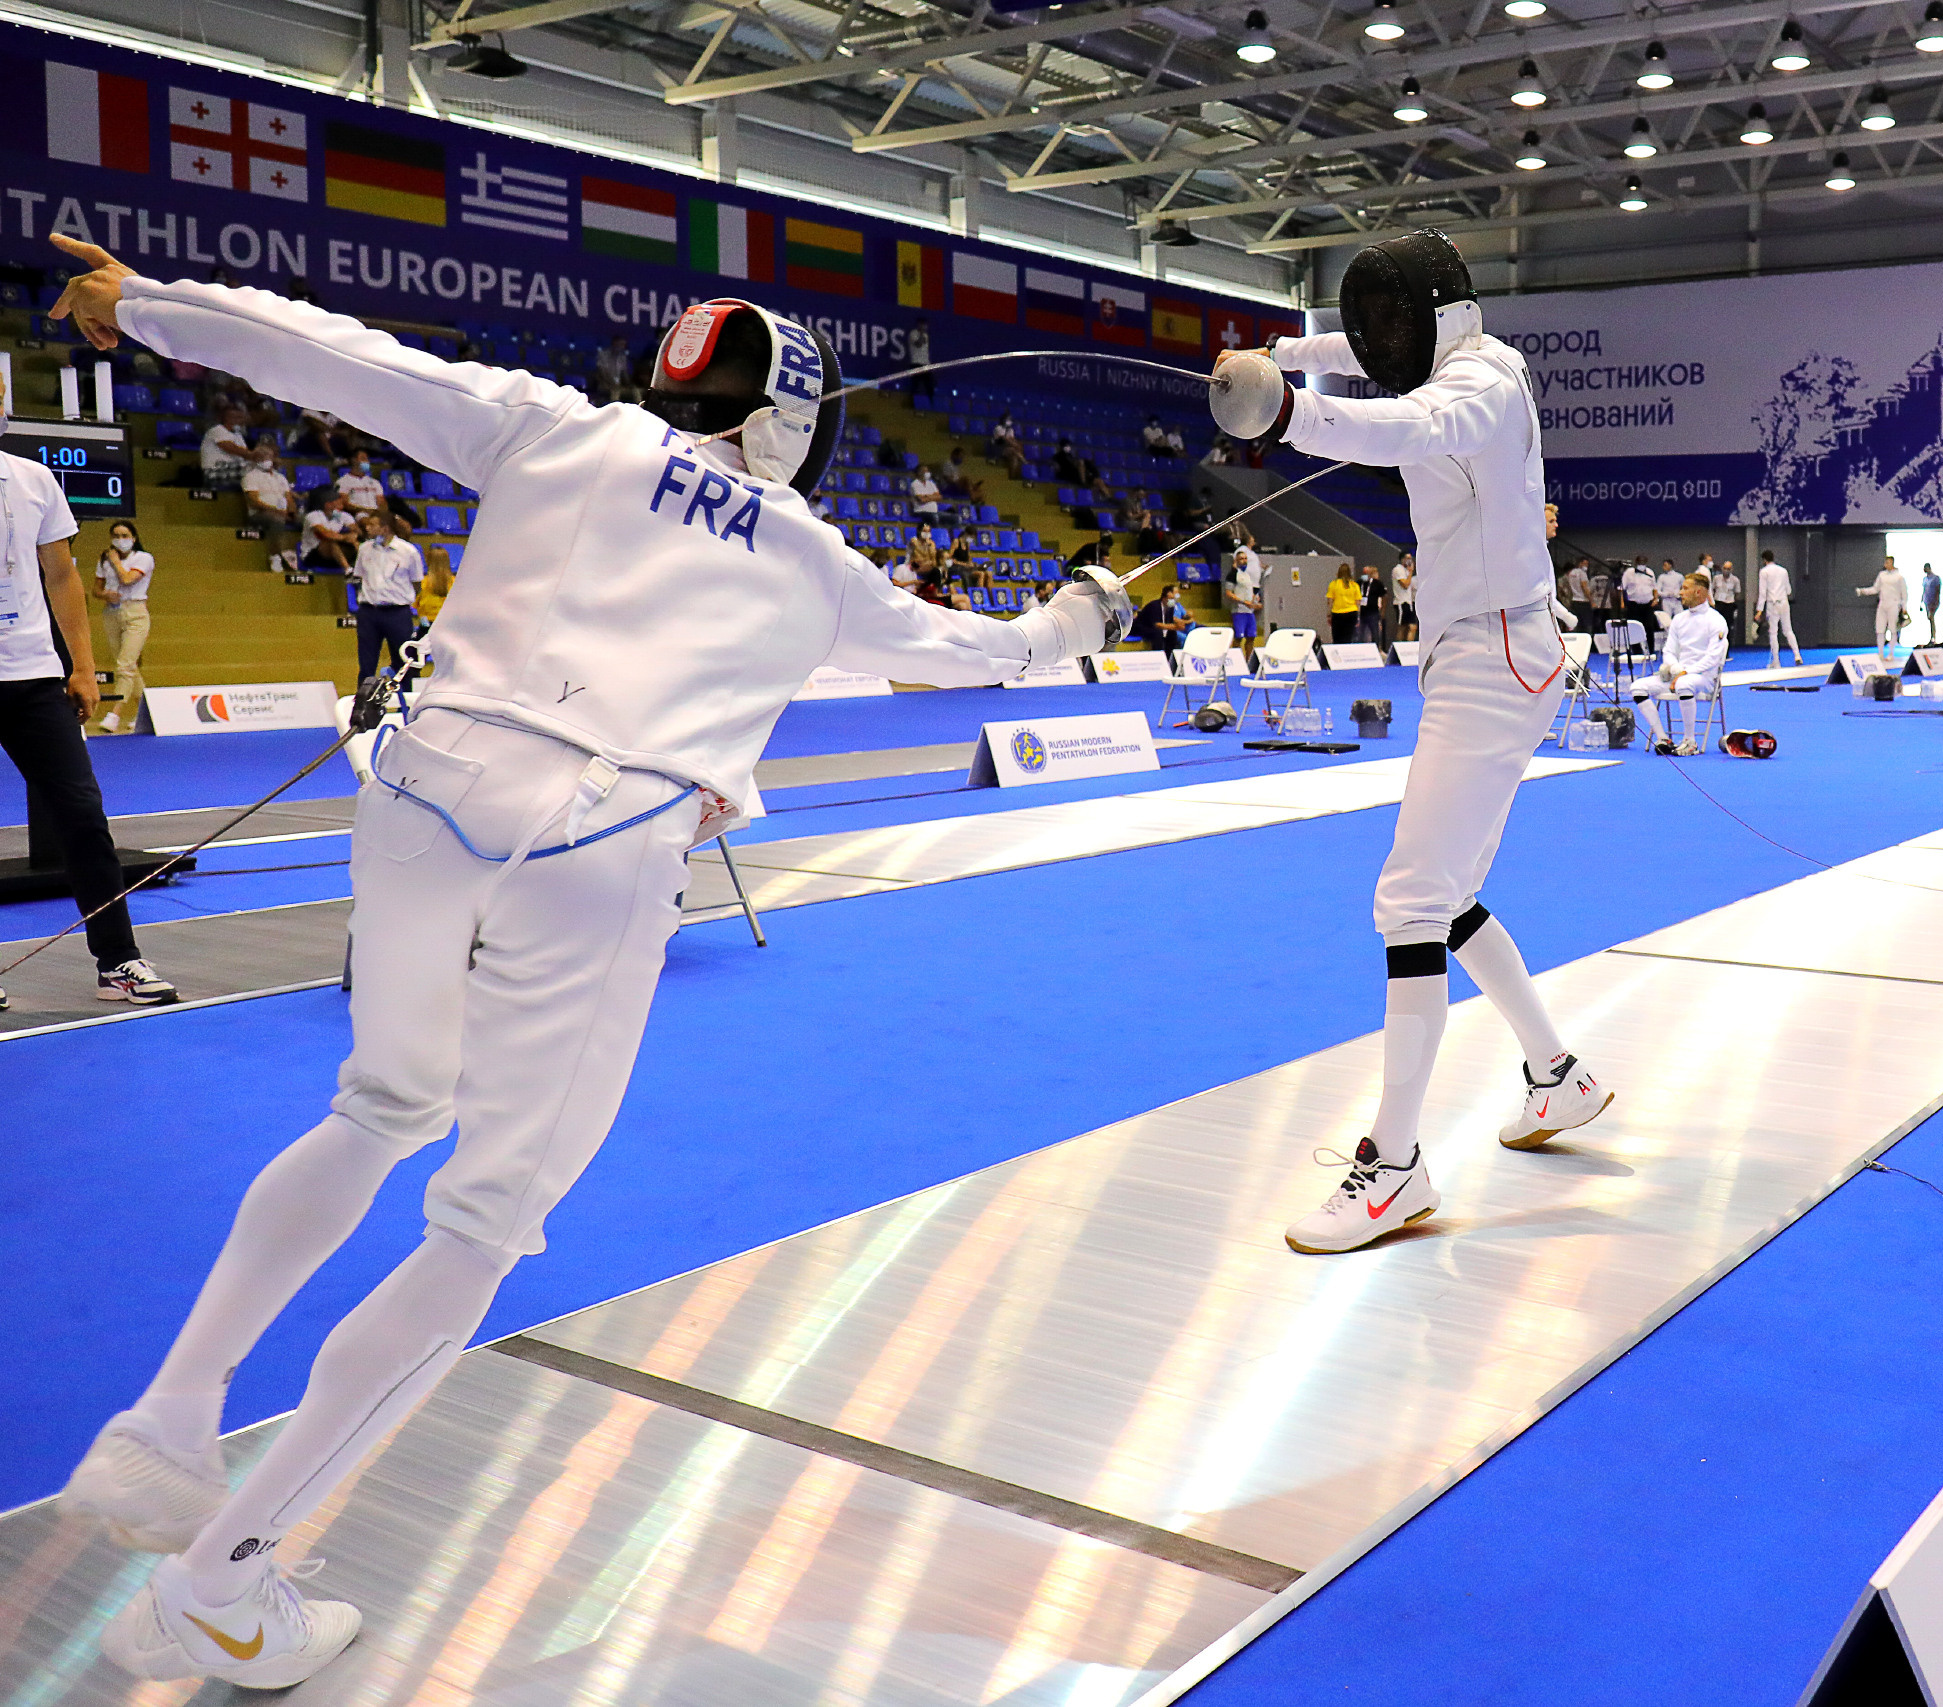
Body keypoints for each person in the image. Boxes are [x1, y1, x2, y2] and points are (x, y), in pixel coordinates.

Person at [45, 237, 1122, 1692]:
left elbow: (346, 354)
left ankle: (169, 1421)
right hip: (596, 835)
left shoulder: (562, 427)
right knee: (485, 1217)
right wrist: (1086, 612)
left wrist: (149, 304)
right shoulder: (812, 556)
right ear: (794, 419)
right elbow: (982, 654)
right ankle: (224, 1579)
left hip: (424, 787)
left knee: (379, 1106)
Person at [1216, 227, 1610, 1254]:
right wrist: (1284, 355)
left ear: (1433, 319)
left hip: (1494, 659)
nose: (1380, 337)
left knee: (1409, 903)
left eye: (1391, 320)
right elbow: (1373, 358)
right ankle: (1558, 1079)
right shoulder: (1466, 351)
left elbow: (1398, 422)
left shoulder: (1474, 389)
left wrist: (1289, 412)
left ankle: (1394, 1166)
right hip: (1477, 651)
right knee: (1454, 899)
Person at [0, 368, 179, 1011]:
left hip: (33, 677)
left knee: (82, 817)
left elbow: (62, 576)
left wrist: (81, 664)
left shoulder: (33, 478)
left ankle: (119, 962)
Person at [1631, 572, 1729, 755]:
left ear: (1699, 592)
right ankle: (1663, 738)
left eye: (1685, 588)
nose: (1680, 593)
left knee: (1684, 684)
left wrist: (1684, 673)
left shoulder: (1716, 620)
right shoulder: (1679, 619)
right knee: (1637, 687)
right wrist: (1674, 668)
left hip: (1704, 678)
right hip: (1678, 675)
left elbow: (1712, 659)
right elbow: (1669, 650)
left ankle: (1690, 741)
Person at [92, 520, 155, 733]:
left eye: (124, 535)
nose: (120, 540)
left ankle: (115, 714)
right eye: (116, 535)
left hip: (135, 613)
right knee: (129, 667)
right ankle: (148, 713)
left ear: (134, 538)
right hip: (112, 613)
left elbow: (128, 579)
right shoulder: (104, 559)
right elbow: (96, 589)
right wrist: (104, 595)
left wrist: (116, 561)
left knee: (125, 665)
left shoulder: (144, 558)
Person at [349, 512, 424, 681]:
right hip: (369, 612)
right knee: (366, 663)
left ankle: (405, 704)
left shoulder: (408, 552)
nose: (367, 528)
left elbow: (417, 582)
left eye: (372, 525)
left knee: (403, 663)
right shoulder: (364, 549)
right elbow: (360, 576)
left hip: (397, 613)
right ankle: (364, 704)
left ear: (385, 528)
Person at [240, 441, 299, 573]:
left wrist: (292, 512)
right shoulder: (250, 476)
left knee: (304, 520)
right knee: (276, 520)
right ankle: (275, 555)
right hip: (259, 515)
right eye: (261, 457)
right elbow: (254, 502)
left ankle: (303, 557)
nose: (265, 460)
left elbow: (289, 498)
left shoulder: (280, 477)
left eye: (268, 457)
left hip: (281, 513)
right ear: (255, 459)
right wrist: (278, 512)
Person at [1756, 549, 1801, 667]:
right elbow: (1789, 590)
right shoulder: (1783, 571)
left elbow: (1762, 592)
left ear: (1764, 560)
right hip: (1784, 603)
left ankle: (1776, 661)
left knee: (1773, 633)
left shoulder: (1764, 572)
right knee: (1788, 630)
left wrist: (1759, 609)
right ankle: (1797, 655)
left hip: (1773, 604)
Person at [1857, 554, 1907, 660]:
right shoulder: (1882, 575)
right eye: (1885, 563)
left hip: (1894, 604)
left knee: (1893, 629)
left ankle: (1891, 654)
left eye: (1888, 562)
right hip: (1882, 604)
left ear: (1892, 563)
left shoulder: (1899, 577)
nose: (1886, 564)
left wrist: (1904, 608)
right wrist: (1863, 591)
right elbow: (1875, 589)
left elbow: (1904, 594)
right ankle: (1880, 653)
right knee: (1880, 629)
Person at [300, 492, 358, 574]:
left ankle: (363, 570)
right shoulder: (313, 516)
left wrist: (354, 534)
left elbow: (356, 531)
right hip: (312, 556)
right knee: (330, 541)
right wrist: (345, 537)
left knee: (355, 543)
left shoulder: (344, 515)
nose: (342, 505)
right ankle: (348, 570)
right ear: (328, 504)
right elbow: (326, 534)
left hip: (335, 557)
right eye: (339, 502)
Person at [197, 404, 251, 488]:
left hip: (234, 468)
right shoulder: (217, 430)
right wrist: (255, 455)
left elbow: (246, 455)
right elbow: (230, 448)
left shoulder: (238, 435)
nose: (237, 421)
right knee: (254, 471)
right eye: (233, 417)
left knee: (263, 471)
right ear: (224, 418)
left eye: (239, 417)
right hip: (215, 471)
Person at [1133, 583, 1193, 657]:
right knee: (1158, 633)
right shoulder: (1154, 605)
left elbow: (1170, 621)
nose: (1175, 598)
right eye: (1173, 596)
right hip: (1142, 627)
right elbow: (1156, 624)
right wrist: (1175, 627)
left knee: (1172, 634)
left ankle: (1169, 658)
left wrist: (1179, 625)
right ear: (1167, 594)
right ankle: (1158, 657)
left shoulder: (1171, 607)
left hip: (1157, 628)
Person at [1227, 543, 1263, 663]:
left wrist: (1255, 601)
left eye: (1245, 558)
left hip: (1249, 611)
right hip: (1239, 611)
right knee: (1238, 637)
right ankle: (1234, 661)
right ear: (1236, 560)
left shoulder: (1247, 575)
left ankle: (1248, 662)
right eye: (1241, 559)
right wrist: (1243, 602)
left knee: (1251, 637)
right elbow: (1229, 593)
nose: (1244, 561)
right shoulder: (1232, 575)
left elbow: (1250, 593)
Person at [334, 450, 386, 521]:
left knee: (401, 523)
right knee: (369, 523)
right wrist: (366, 510)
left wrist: (382, 513)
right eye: (363, 458)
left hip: (377, 513)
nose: (367, 461)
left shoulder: (375, 482)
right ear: (354, 460)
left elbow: (382, 502)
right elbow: (345, 503)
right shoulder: (342, 482)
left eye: (367, 459)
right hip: (359, 514)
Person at [415, 543, 455, 626]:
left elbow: (415, 604)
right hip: (449, 623)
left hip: (426, 624)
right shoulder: (455, 582)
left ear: (428, 561)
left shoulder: (423, 582)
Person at [1326, 561, 1362, 643]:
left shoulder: (1333, 584)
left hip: (1337, 614)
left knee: (1337, 638)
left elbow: (1330, 602)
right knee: (1348, 637)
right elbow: (1358, 602)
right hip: (1351, 613)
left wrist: (1328, 615)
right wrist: (1358, 616)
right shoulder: (1354, 585)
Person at [1708, 557, 1743, 639]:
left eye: (1728, 569)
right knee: (1716, 625)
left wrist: (1734, 605)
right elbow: (1712, 590)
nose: (1726, 570)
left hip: (1729, 604)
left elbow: (1737, 593)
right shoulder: (1716, 578)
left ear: (1731, 570)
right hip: (1718, 603)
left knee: (1728, 626)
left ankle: (1727, 645)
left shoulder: (1735, 580)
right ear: (1722, 568)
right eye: (1724, 568)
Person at [907, 319, 934, 404]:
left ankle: (931, 403)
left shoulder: (926, 335)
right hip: (915, 362)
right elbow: (918, 344)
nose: (924, 327)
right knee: (915, 384)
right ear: (919, 324)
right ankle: (911, 403)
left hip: (925, 363)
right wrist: (921, 334)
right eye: (922, 325)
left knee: (929, 384)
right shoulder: (913, 333)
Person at [1918, 560, 1942, 646]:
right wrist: (1921, 601)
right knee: (1930, 619)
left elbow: (1937, 591)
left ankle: (1933, 637)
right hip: (1926, 601)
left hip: (1933, 601)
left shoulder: (1935, 578)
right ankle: (1932, 636)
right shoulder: (1925, 579)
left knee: (1931, 618)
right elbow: (1924, 591)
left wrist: (1936, 601)